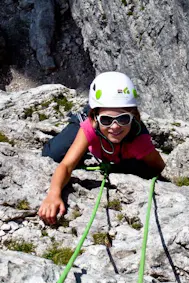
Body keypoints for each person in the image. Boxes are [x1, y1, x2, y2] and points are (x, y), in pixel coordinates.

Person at [39, 72, 166, 225]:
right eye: (107, 119)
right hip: (94, 127)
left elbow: (158, 167)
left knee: (131, 167)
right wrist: (54, 193)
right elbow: (66, 165)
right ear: (94, 117)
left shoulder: (138, 142)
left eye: (123, 118)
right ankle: (84, 128)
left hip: (113, 134)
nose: (115, 126)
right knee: (51, 154)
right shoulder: (91, 127)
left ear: (134, 116)